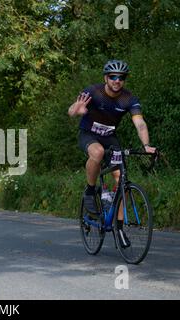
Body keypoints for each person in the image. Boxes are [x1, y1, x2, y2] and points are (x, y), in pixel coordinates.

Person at [68, 59, 157, 248]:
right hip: (88, 135)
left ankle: (119, 228)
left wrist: (147, 145)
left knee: (121, 179)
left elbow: (140, 123)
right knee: (98, 153)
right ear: (106, 78)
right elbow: (72, 110)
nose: (117, 80)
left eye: (121, 77)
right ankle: (91, 192)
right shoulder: (93, 92)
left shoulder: (128, 99)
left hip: (110, 137)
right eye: (113, 77)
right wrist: (76, 110)